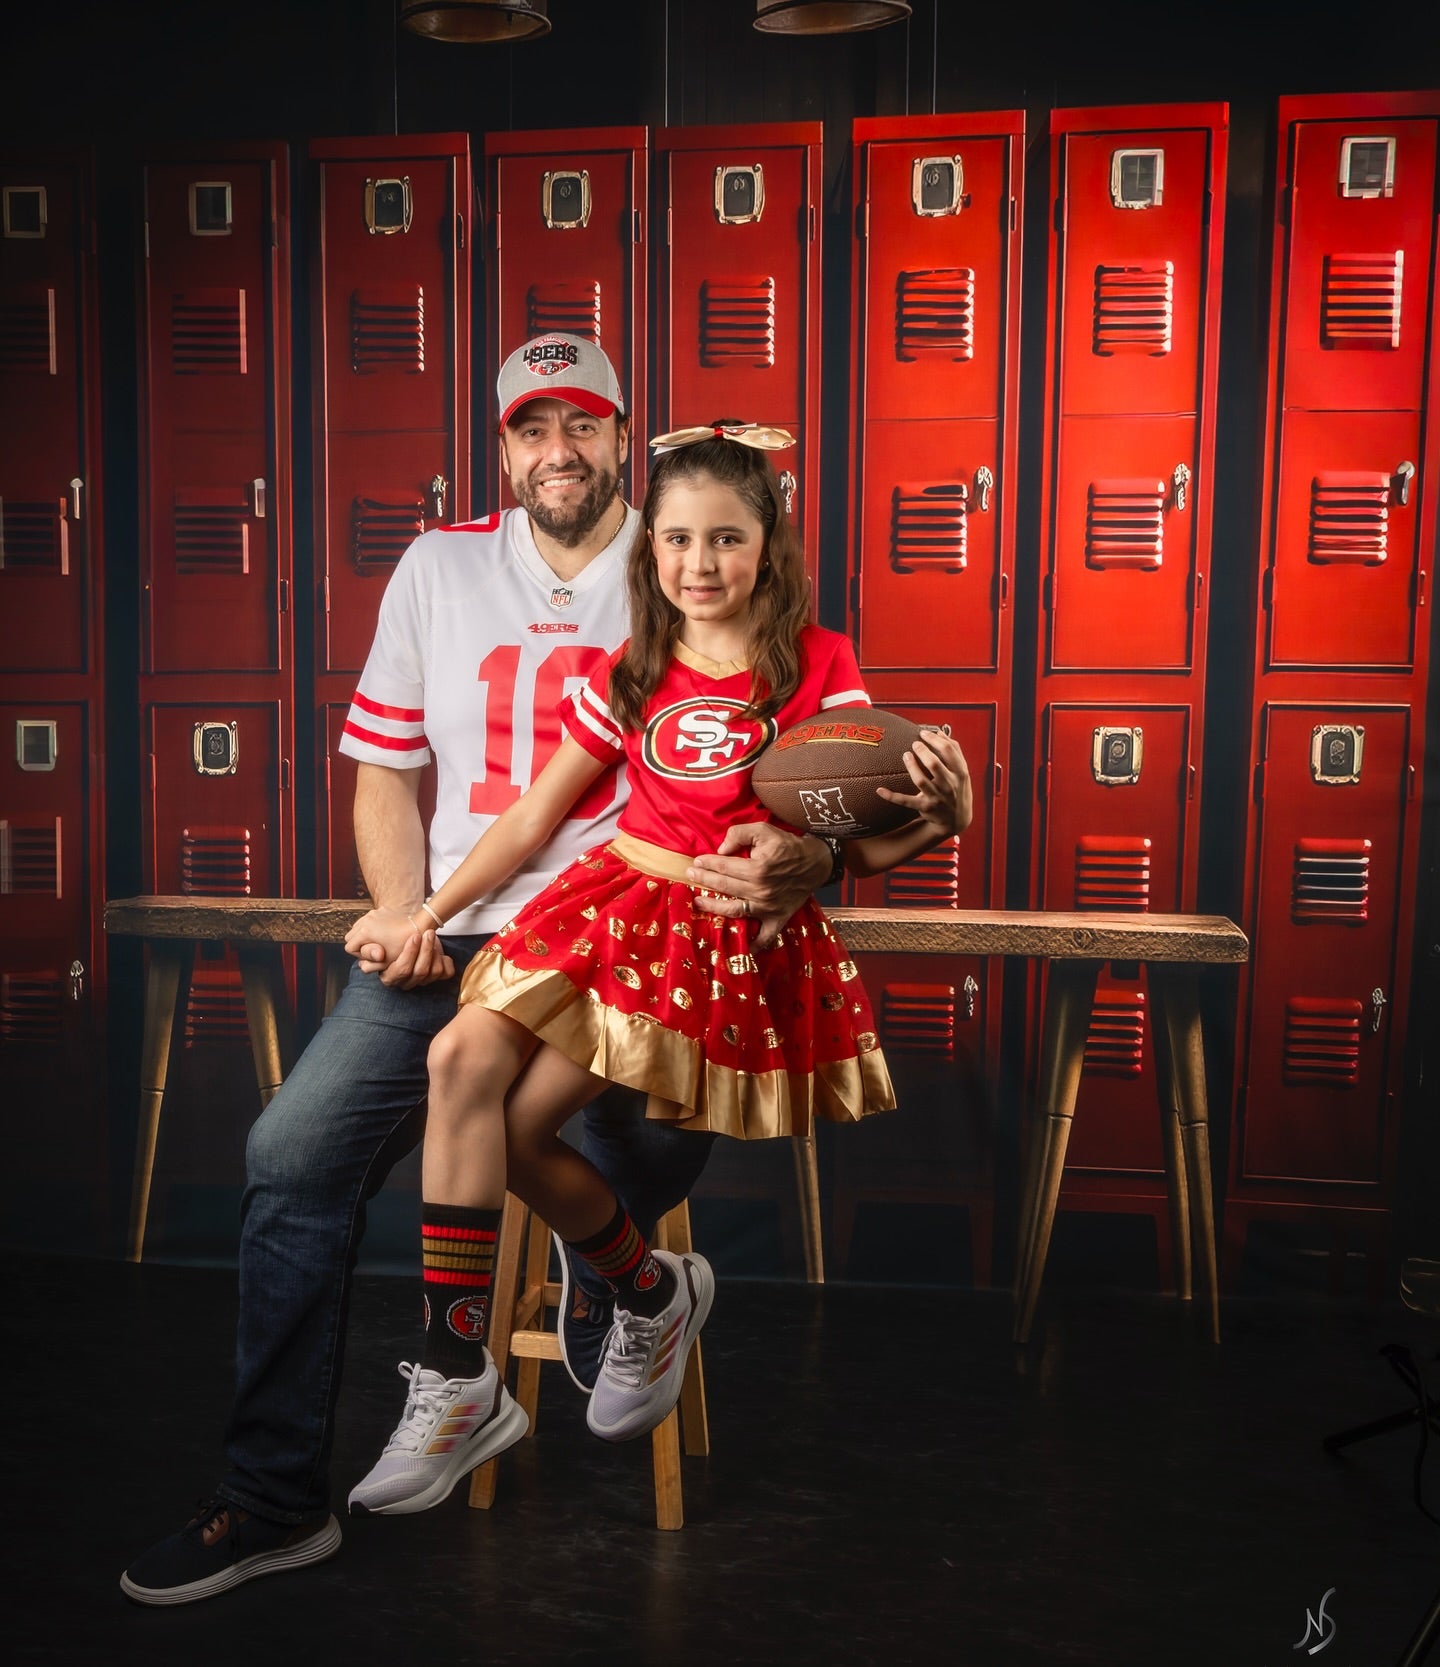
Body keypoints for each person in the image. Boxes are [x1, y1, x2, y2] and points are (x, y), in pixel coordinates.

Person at [120, 338, 837, 1605]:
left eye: (585, 424)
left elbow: (808, 770)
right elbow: (385, 772)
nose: (557, 450)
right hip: (459, 935)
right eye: (529, 427)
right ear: (501, 445)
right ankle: (278, 1498)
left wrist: (807, 859)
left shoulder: (691, 549)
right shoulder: (440, 564)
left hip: (635, 941)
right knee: (290, 1155)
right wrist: (410, 914)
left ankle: (622, 1283)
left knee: (620, 1151)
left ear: (630, 439)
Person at [341, 421, 973, 1516]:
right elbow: (538, 813)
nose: (699, 564)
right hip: (607, 901)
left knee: (522, 1129)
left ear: (767, 546)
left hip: (708, 935)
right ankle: (458, 1375)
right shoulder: (633, 662)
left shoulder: (816, 663)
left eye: (725, 539)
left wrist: (946, 817)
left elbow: (856, 841)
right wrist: (426, 915)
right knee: (459, 1059)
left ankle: (644, 1287)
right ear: (653, 551)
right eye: (677, 539)